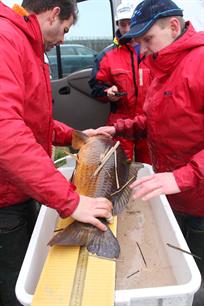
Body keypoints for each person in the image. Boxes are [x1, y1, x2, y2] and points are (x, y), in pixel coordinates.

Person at [0, 1, 112, 305]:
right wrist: (71, 201)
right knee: (14, 284)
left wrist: (76, 138)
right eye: (65, 29)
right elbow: (5, 130)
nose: (63, 39)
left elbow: (33, 118)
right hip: (3, 197)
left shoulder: (31, 47)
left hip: (19, 186)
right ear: (54, 13)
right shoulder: (6, 39)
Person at [94, 0, 204, 303]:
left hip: (198, 199)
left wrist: (184, 177)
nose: (142, 49)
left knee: (195, 271)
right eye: (138, 42)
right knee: (175, 256)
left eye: (147, 39)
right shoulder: (162, 68)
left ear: (173, 27)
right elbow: (154, 119)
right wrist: (120, 128)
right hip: (170, 191)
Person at [89, 0, 151, 162]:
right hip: (119, 121)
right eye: (123, 24)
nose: (127, 29)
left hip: (149, 120)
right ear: (118, 25)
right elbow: (95, 87)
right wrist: (107, 93)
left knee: (152, 167)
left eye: (131, 23)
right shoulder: (107, 55)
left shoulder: (153, 49)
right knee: (119, 168)